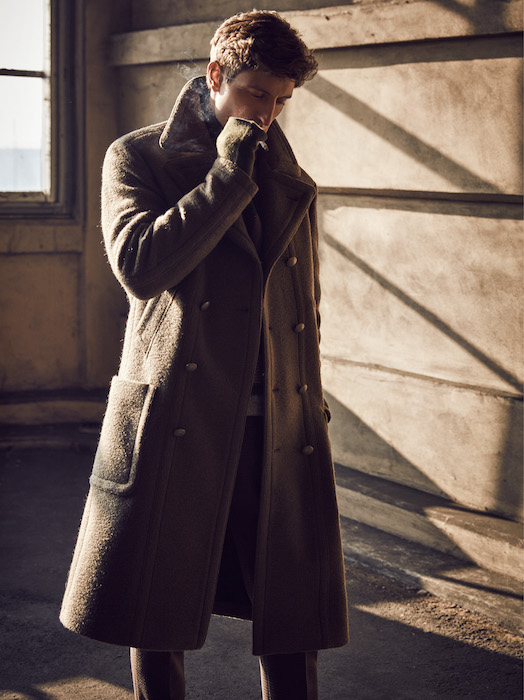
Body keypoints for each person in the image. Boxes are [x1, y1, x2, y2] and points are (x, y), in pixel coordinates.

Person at [60, 10, 349, 699]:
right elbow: (141, 267)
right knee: (155, 607)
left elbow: (302, 306)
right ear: (216, 74)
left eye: (281, 101)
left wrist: (308, 402)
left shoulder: (288, 173)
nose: (267, 115)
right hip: (176, 416)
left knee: (290, 615)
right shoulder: (139, 157)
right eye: (256, 94)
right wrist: (229, 169)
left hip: (272, 423)